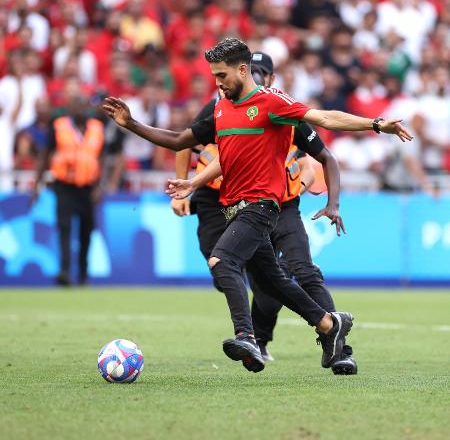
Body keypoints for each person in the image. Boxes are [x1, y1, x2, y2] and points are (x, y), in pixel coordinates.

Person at [102, 38, 412, 373]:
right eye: (213, 76)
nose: (217, 83)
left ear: (242, 69)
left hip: (263, 205)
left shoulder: (272, 102)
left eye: (221, 75)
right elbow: (180, 141)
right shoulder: (220, 108)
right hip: (232, 206)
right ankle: (328, 324)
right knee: (273, 281)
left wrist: (376, 125)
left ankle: (246, 335)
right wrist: (134, 126)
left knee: (222, 261)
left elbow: (324, 118)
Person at [171, 53, 357, 374]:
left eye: (262, 73)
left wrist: (323, 193)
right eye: (251, 70)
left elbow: (319, 157)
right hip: (222, 200)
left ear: (269, 78)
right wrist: (189, 184)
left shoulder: (279, 108)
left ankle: (326, 347)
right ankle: (315, 327)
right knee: (259, 279)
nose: (255, 77)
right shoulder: (220, 105)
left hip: (279, 204)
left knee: (295, 272)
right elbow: (186, 142)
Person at [32, 95, 105, 287]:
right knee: (64, 227)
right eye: (76, 104)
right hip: (64, 185)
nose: (80, 108)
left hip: (88, 187)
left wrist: (100, 186)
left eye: (83, 104)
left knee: (86, 231)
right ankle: (64, 271)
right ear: (70, 107)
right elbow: (44, 155)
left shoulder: (97, 128)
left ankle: (83, 273)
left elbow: (102, 158)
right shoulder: (59, 126)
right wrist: (36, 185)